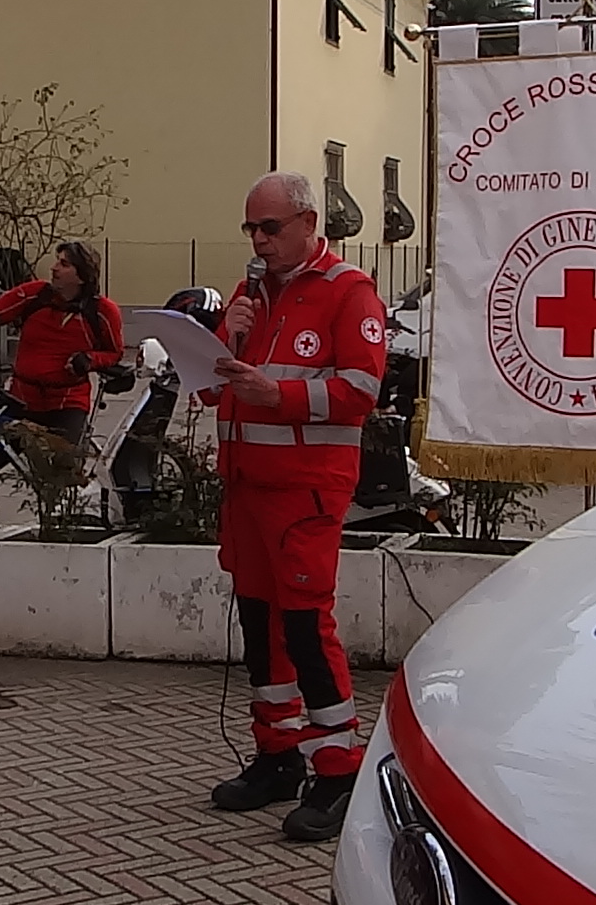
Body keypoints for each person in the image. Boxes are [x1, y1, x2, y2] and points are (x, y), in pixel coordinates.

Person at [203, 172, 385, 842]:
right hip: (248, 487)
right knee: (260, 624)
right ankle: (277, 755)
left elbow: (362, 389)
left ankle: (337, 771)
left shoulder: (348, 291)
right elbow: (213, 391)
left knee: (307, 628)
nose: (257, 239)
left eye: (269, 228)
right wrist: (227, 340)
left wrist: (273, 396)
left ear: (309, 224)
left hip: (306, 491)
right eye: (250, 228)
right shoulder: (251, 296)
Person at [0, 241, 124, 487]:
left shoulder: (102, 311)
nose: (54, 268)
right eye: (57, 260)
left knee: (61, 481)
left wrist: (89, 359)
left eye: (64, 264)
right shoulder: (34, 295)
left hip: (66, 404)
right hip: (22, 401)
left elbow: (115, 353)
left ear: (82, 276)